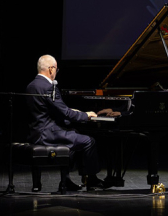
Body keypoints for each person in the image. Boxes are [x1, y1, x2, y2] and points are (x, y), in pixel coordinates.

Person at [25, 54, 108, 191]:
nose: (56, 73)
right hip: (47, 135)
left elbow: (49, 110)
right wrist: (85, 115)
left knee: (73, 135)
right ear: (51, 69)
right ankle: (91, 179)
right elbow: (66, 113)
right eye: (56, 70)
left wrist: (69, 110)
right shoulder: (49, 87)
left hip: (35, 133)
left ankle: (67, 180)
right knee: (88, 141)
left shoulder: (31, 86)